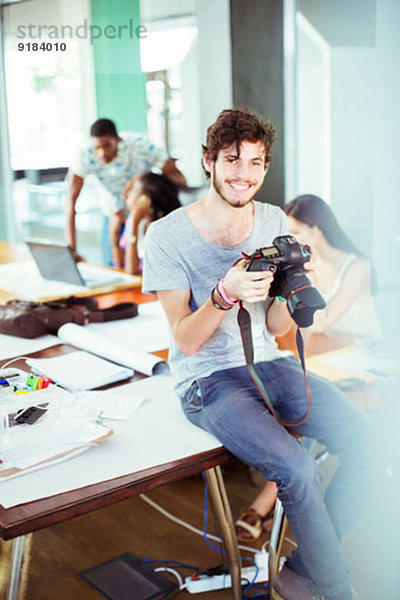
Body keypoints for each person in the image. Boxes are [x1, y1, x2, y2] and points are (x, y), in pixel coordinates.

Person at [142, 108, 383, 600]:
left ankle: (303, 571)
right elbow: (185, 341)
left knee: (373, 444)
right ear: (208, 161)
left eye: (255, 163)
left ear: (265, 167)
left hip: (271, 361)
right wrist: (223, 294)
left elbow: (274, 326)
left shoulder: (272, 219)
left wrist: (297, 293)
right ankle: (337, 589)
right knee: (297, 469)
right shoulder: (166, 236)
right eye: (232, 160)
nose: (243, 174)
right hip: (206, 379)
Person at [235, 193, 383, 544]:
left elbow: (322, 320)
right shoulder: (307, 266)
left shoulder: (356, 266)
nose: (293, 238)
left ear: (317, 230)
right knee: (300, 408)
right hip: (327, 355)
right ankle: (284, 513)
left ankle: (267, 506)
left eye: (298, 230)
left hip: (364, 361)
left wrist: (295, 287)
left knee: (306, 413)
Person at [65, 118, 186, 266]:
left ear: (118, 139)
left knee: (152, 269)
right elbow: (70, 201)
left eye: (107, 146)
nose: (102, 153)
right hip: (114, 217)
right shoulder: (84, 156)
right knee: (115, 273)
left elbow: (179, 179)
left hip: (148, 217)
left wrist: (143, 181)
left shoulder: (141, 146)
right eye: (97, 148)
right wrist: (71, 248)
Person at [119, 172, 181, 274]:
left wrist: (133, 223)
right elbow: (120, 266)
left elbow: (132, 271)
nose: (125, 196)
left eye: (131, 191)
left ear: (145, 200)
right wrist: (114, 237)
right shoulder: (140, 224)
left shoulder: (164, 233)